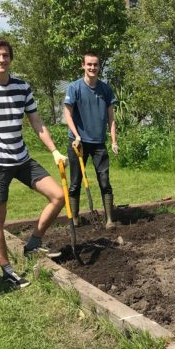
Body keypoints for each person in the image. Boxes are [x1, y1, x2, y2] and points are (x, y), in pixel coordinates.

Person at [0, 36, 68, 288]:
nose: (1, 59)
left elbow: (36, 122)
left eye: (5, 55)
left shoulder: (22, 87)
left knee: (59, 196)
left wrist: (54, 150)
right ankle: (7, 271)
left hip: (22, 158)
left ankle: (33, 244)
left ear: (11, 58)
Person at [63, 51, 119, 229]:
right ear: (83, 66)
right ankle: (75, 218)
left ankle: (109, 219)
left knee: (104, 181)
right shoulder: (74, 88)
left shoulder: (105, 89)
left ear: (99, 66)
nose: (92, 67)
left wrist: (114, 141)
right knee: (75, 182)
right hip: (77, 143)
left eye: (95, 65)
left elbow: (111, 118)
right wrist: (76, 135)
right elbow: (67, 114)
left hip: (98, 144)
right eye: (89, 64)